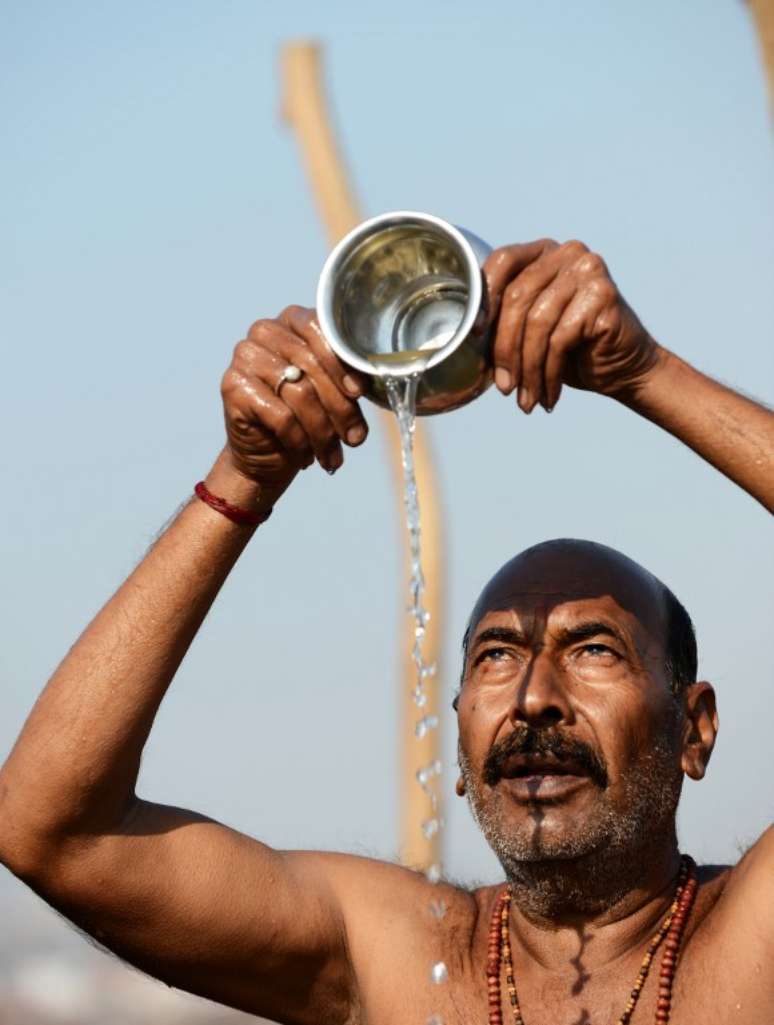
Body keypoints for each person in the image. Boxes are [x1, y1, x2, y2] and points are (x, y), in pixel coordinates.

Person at [0, 240, 772, 1025]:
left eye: (594, 649)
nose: (535, 697)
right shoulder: (400, 960)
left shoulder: (751, 940)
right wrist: (243, 476)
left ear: (695, 729)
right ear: (460, 751)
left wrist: (646, 373)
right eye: (497, 656)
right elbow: (53, 828)